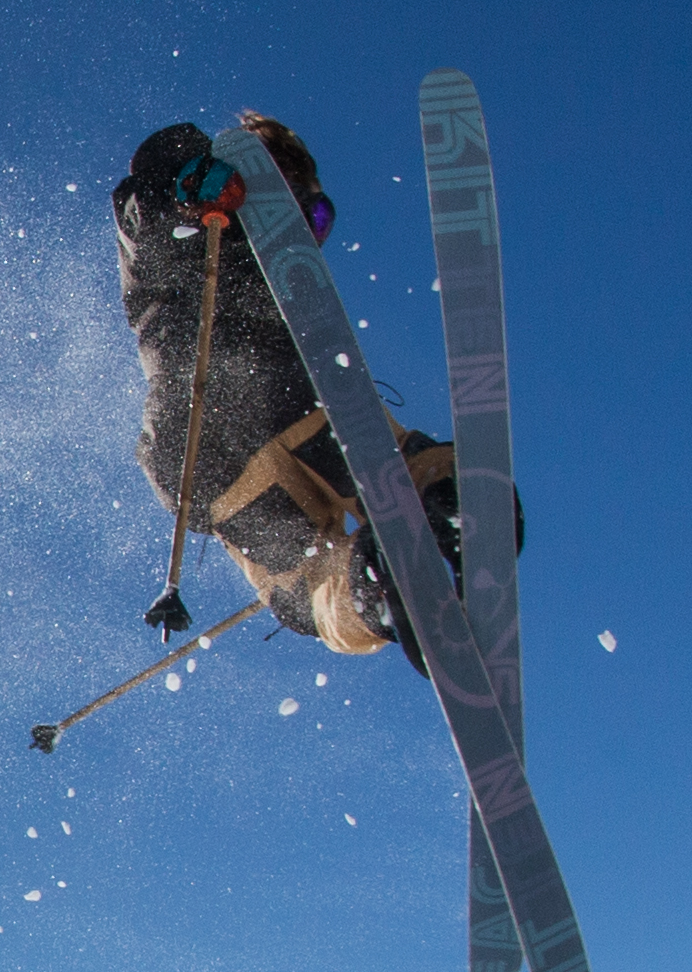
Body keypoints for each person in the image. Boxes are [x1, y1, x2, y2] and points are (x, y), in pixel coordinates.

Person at [109, 112, 475, 666]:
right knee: (390, 463)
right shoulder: (190, 231)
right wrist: (187, 183)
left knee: (307, 584)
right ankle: (443, 496)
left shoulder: (284, 295)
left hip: (220, 465)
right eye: (300, 211)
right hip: (226, 419)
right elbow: (142, 206)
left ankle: (369, 589)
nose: (307, 231)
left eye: (317, 219)